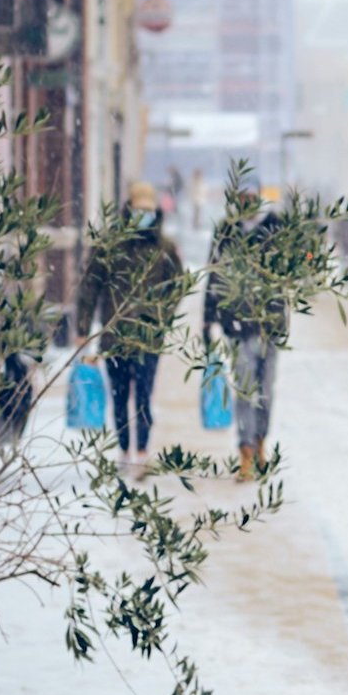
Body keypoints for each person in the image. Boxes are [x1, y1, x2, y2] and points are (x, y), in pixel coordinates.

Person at [74, 181, 185, 468]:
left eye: (148, 210)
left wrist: (161, 317)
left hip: (148, 338)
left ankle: (142, 451)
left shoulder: (164, 248)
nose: (143, 215)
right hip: (115, 337)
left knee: (144, 397)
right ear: (129, 210)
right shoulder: (111, 245)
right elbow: (90, 286)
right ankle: (124, 449)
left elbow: (178, 286)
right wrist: (82, 329)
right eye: (139, 210)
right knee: (120, 397)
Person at [203, 204, 285, 481]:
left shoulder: (277, 227)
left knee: (265, 391)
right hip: (239, 326)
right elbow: (214, 274)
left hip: (270, 326)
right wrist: (208, 318)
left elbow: (301, 261)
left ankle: (260, 441)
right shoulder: (227, 231)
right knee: (246, 390)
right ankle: (246, 451)